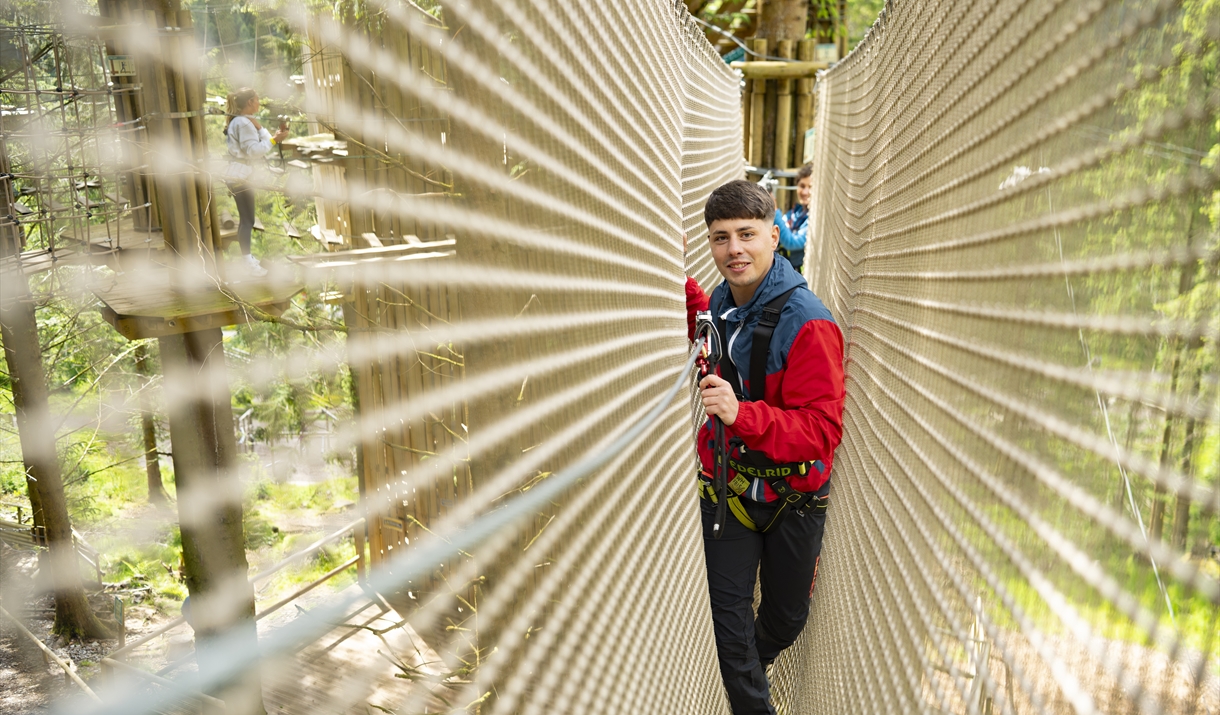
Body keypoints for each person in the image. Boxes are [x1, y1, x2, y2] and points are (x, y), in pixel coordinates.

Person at [685, 179, 844, 715]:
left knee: (784, 621)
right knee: (728, 630)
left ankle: (747, 673)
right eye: (720, 238)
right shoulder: (723, 301)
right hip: (728, 491)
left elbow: (822, 434)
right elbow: (710, 320)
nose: (734, 250)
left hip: (793, 499)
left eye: (747, 235)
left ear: (775, 237)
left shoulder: (810, 324)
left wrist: (740, 414)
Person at [224, 87, 287, 277]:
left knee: (247, 219)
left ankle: (248, 259)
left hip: (240, 174)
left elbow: (263, 141)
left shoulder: (244, 121)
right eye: (257, 100)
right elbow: (253, 151)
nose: (259, 103)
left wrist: (262, 128)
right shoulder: (243, 124)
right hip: (240, 176)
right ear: (250, 102)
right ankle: (247, 261)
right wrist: (274, 140)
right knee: (247, 220)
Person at [776, 163, 812, 273]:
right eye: (802, 186)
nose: (805, 192)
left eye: (811, 187)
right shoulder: (797, 211)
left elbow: (791, 243)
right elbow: (780, 227)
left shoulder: (814, 219)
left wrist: (774, 211)